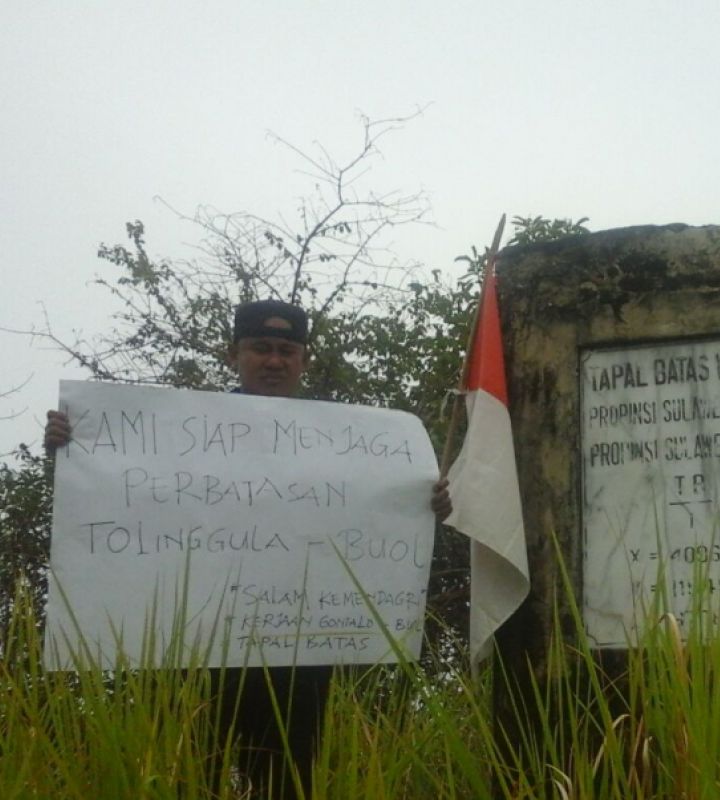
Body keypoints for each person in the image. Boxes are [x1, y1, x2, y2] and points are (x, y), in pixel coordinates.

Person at [45, 299, 452, 799]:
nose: (274, 360)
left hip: (299, 663)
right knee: (188, 780)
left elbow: (387, 515)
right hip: (193, 659)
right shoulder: (177, 432)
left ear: (304, 359)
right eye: (261, 348)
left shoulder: (349, 440)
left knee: (291, 784)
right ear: (234, 353)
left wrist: (426, 502)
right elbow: (109, 502)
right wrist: (70, 447)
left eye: (287, 349)